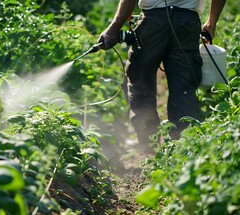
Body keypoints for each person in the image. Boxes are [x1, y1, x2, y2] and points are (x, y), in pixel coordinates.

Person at [97, 0, 226, 153]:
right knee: (184, 88)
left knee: (140, 82)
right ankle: (183, 149)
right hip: (187, 23)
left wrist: (113, 28)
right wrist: (212, 23)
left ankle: (149, 146)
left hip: (152, 22)